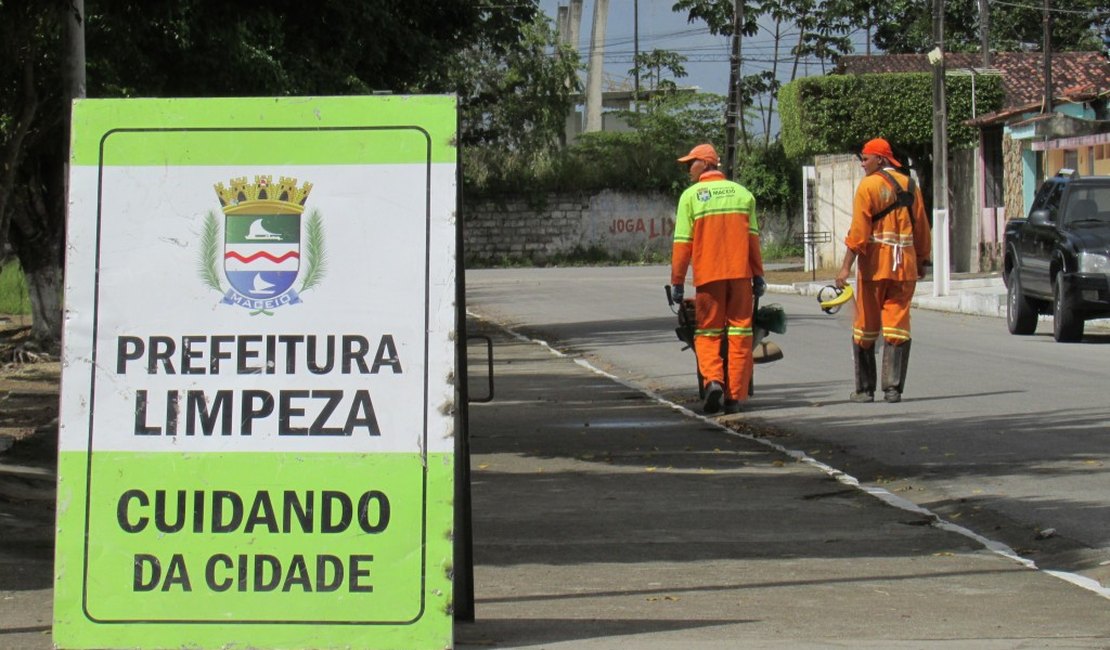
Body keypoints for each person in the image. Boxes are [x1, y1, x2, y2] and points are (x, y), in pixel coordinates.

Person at [670, 143, 765, 415]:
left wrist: (677, 281)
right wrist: (758, 275)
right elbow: (753, 241)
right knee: (740, 333)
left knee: (708, 333)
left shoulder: (691, 196)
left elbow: (682, 244)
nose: (688, 169)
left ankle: (713, 382)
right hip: (740, 277)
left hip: (709, 277)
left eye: (692, 164)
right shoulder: (742, 194)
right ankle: (735, 397)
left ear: (706, 164)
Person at [834, 138, 931, 403]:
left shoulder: (869, 186)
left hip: (874, 267)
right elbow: (922, 227)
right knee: (897, 325)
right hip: (905, 268)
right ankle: (892, 389)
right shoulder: (911, 185)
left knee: (866, 326)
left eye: (866, 158)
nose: (863, 164)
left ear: (881, 159)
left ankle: (865, 390)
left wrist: (845, 267)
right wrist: (922, 260)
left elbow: (859, 232)